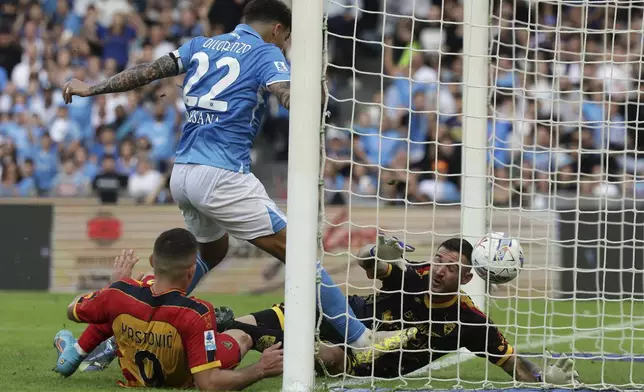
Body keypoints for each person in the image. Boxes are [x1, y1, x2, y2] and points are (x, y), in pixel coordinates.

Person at [61, 0, 409, 350]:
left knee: (211, 253)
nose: (285, 44)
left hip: (182, 174)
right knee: (301, 253)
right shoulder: (265, 53)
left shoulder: (202, 44)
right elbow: (283, 93)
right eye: (286, 37)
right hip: (222, 175)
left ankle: (116, 338)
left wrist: (91, 88)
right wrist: (307, 97)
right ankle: (361, 339)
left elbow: (148, 72)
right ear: (277, 30)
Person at [221, 235, 581, 384]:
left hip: (362, 357)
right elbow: (373, 268)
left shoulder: (470, 321)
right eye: (439, 260)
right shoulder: (419, 274)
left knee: (319, 356)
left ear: (469, 276)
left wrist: (541, 378)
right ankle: (214, 349)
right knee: (252, 321)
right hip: (350, 314)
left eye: (451, 267)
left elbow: (510, 360)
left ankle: (234, 344)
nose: (439, 270)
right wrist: (373, 254)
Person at [53, 228, 283, 390]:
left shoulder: (117, 293)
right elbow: (209, 384)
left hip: (137, 374)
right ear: (192, 271)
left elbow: (72, 308)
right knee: (241, 336)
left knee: (118, 306)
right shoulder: (198, 312)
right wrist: (260, 369)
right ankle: (280, 316)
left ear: (153, 259)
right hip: (187, 375)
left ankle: (86, 351)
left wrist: (113, 286)